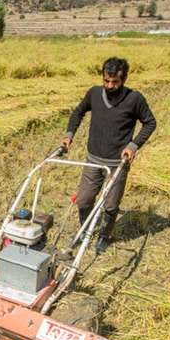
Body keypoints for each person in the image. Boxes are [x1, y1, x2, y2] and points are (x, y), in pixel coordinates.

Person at [61, 56, 156, 253]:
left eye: (115, 82)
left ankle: (104, 235)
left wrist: (133, 145)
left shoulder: (134, 99)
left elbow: (150, 122)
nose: (109, 85)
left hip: (117, 163)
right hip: (94, 159)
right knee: (84, 200)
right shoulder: (94, 94)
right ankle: (84, 228)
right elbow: (78, 112)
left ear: (124, 79)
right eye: (106, 80)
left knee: (111, 205)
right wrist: (69, 135)